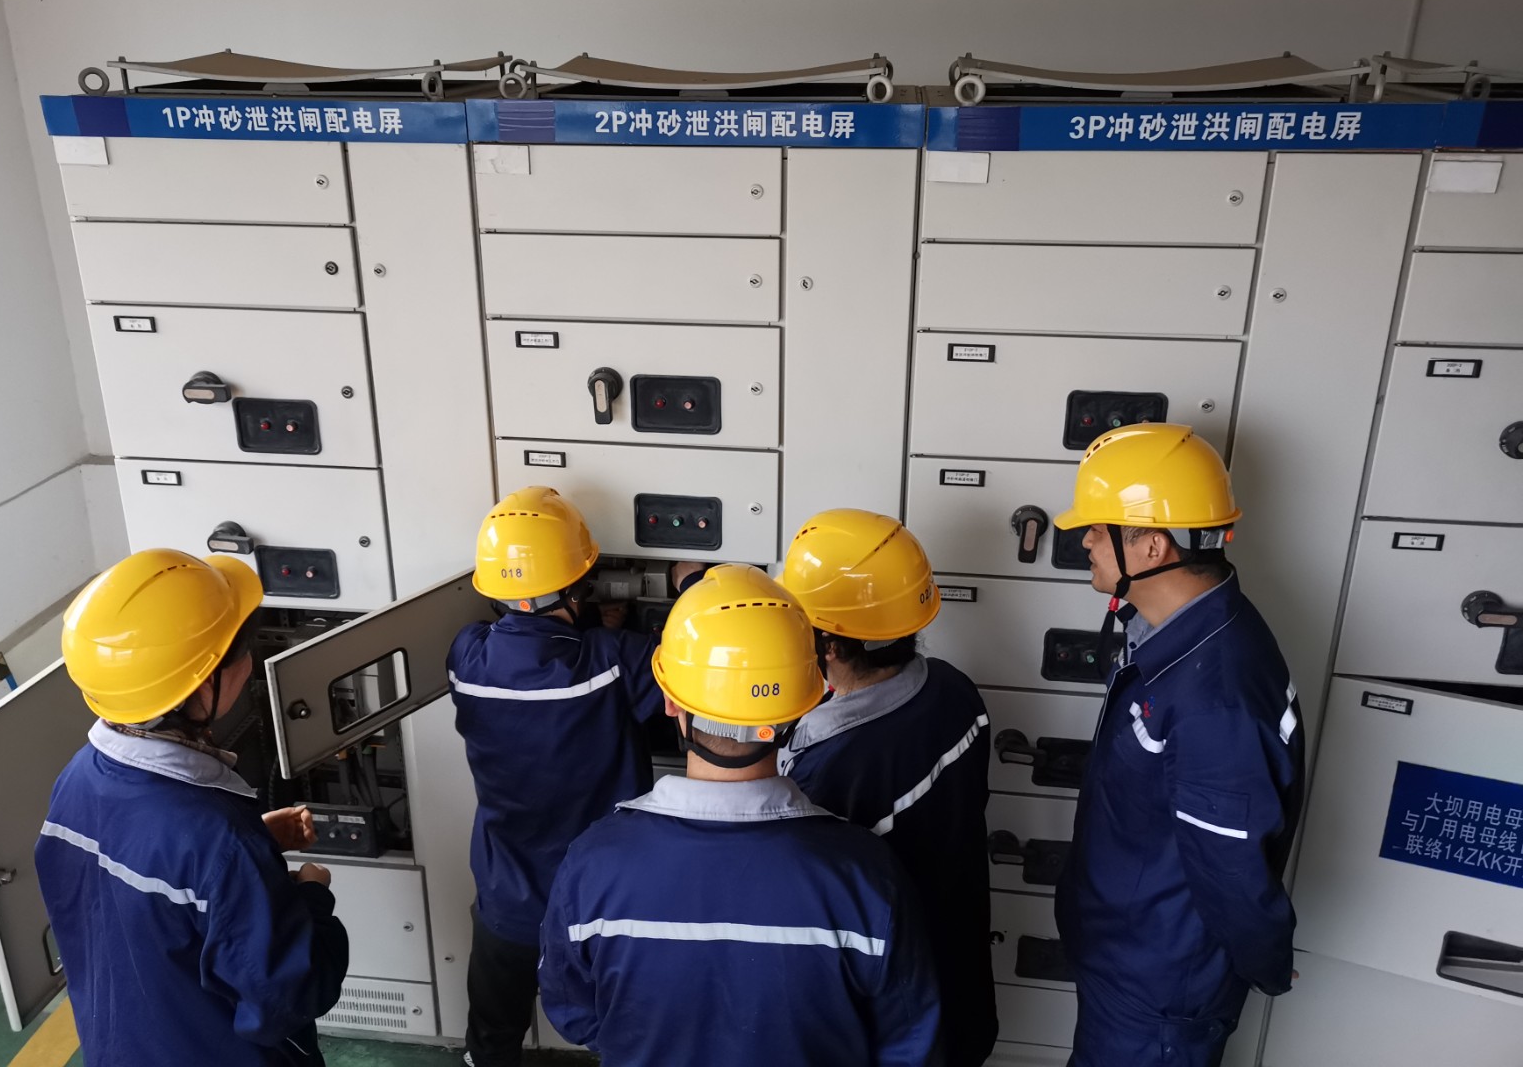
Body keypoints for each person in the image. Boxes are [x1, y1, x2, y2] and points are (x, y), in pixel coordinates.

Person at [538, 564, 943, 1067]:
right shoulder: (865, 874)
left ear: (671, 703)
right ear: (802, 707)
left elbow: (575, 1015)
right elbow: (909, 1042)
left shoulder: (592, 864)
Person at [1050, 425, 1306, 1067]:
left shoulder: (1215, 693)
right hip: (1130, 951)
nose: (1084, 541)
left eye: (1097, 528)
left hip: (1157, 986)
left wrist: (1267, 961)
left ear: (1151, 544)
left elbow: (1230, 864)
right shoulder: (1180, 633)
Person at [37, 549, 349, 1067]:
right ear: (202, 684)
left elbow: (140, 893)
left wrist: (251, 851)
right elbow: (289, 996)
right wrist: (312, 896)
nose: (249, 662)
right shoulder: (220, 840)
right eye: (241, 647)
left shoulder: (77, 778)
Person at [448, 486, 696, 1067]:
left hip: (506, 897)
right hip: (601, 897)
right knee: (623, 1034)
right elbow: (695, 657)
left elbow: (533, 655)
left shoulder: (466, 657)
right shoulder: (613, 660)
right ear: (577, 583)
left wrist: (588, 627)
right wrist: (691, 584)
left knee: (492, 1041)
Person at [776, 509, 996, 1066]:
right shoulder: (954, 688)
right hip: (956, 975)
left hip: (893, 1017)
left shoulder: (828, 775)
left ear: (827, 645)